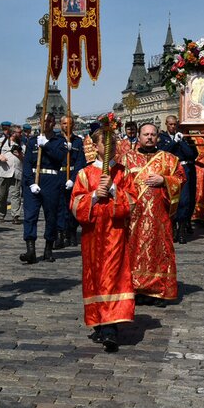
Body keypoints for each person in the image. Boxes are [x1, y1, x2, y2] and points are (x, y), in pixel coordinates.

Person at [70, 126, 137, 352]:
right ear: (96, 147)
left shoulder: (122, 172)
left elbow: (133, 202)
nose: (110, 148)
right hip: (93, 234)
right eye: (105, 144)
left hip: (115, 233)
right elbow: (75, 204)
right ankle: (98, 321)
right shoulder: (84, 173)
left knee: (112, 276)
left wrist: (116, 190)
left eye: (113, 144)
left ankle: (111, 327)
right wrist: (93, 197)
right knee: (95, 277)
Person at [119, 122, 185, 307]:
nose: (149, 137)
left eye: (153, 134)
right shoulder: (127, 159)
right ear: (139, 137)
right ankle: (136, 289)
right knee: (134, 252)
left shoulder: (168, 159)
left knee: (160, 252)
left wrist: (164, 179)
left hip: (159, 217)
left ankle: (159, 291)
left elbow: (181, 178)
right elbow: (119, 184)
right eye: (146, 134)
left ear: (158, 137)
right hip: (135, 217)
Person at [20, 113, 64, 263]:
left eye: (49, 121)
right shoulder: (32, 142)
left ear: (54, 123)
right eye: (43, 121)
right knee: (30, 215)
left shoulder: (59, 141)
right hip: (34, 180)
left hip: (51, 180)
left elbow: (60, 158)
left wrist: (47, 145)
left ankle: (48, 249)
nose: (46, 123)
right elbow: (26, 164)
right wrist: (30, 182)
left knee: (51, 216)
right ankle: (30, 250)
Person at [157, 115, 197, 244]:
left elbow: (192, 154)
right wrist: (174, 142)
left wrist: (182, 142)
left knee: (185, 200)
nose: (173, 127)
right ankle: (173, 227)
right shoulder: (162, 138)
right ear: (166, 124)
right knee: (171, 199)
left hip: (183, 169)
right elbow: (163, 151)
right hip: (170, 170)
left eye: (175, 124)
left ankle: (182, 229)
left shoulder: (184, 138)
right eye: (170, 124)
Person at [57, 115, 87, 248]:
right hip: (59, 175)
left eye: (69, 124)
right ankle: (61, 233)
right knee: (59, 206)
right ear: (60, 125)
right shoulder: (55, 140)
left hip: (73, 175)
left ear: (73, 126)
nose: (66, 126)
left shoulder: (78, 142)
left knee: (73, 206)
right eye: (64, 124)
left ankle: (72, 232)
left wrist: (73, 179)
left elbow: (81, 162)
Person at [0, 122, 23, 223]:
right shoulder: (3, 140)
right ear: (13, 133)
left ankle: (15, 216)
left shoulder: (21, 144)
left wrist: (19, 155)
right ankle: (1, 214)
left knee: (16, 195)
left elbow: (25, 158)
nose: (20, 134)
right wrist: (0, 156)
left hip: (16, 172)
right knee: (2, 196)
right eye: (19, 132)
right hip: (4, 172)